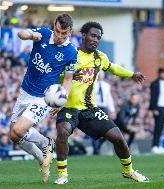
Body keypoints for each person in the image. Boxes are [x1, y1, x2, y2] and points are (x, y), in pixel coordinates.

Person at [54, 21, 149, 184]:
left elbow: (113, 68)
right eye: (93, 35)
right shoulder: (71, 54)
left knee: (118, 137)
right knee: (63, 133)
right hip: (68, 107)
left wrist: (131, 74)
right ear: (83, 35)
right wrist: (66, 77)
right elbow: (54, 75)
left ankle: (129, 171)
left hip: (90, 110)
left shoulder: (100, 57)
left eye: (98, 37)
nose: (96, 39)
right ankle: (62, 174)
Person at [8, 13, 77, 183]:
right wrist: (32, 35)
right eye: (58, 31)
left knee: (18, 130)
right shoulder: (44, 34)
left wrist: (63, 98)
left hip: (43, 97)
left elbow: (68, 80)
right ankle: (42, 158)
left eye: (64, 33)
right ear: (54, 25)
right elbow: (21, 34)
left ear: (70, 31)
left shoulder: (70, 52)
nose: (60, 36)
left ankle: (46, 143)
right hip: (25, 91)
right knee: (13, 136)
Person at [92, 70, 116, 154]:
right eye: (99, 74)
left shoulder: (106, 86)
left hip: (104, 108)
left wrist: (112, 110)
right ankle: (96, 149)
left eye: (101, 74)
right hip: (95, 107)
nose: (100, 76)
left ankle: (98, 146)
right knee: (95, 129)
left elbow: (109, 98)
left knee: (106, 129)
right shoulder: (91, 84)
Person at [149, 68, 164, 154]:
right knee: (157, 127)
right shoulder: (155, 83)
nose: (163, 75)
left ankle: (158, 145)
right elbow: (152, 96)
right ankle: (154, 146)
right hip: (158, 107)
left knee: (161, 127)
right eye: (162, 73)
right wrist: (154, 108)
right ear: (159, 74)